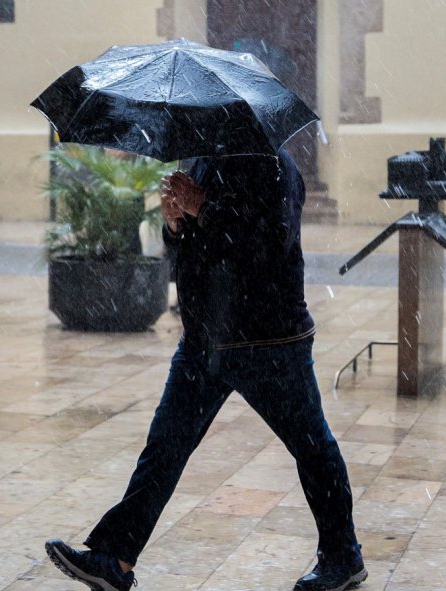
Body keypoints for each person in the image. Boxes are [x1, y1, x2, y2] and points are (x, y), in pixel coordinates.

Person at [44, 149, 367, 591]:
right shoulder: (200, 163)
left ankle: (343, 557)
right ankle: (114, 559)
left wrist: (202, 207)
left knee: (311, 446)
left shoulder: (276, 166)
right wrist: (175, 225)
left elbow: (270, 243)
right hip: (204, 340)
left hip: (268, 341)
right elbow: (193, 254)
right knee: (165, 446)